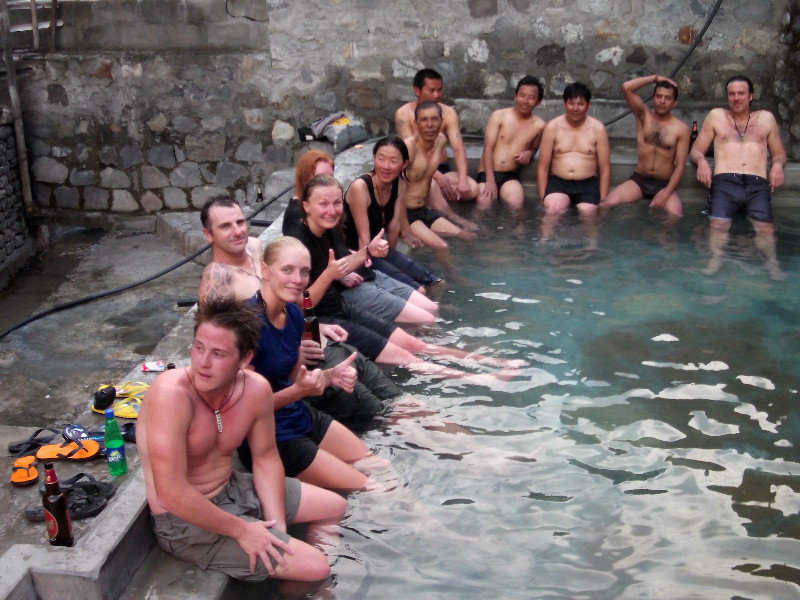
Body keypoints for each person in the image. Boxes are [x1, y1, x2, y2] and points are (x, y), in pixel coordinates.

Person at [137, 298, 347, 582]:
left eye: (218, 354)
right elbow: (170, 492)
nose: (203, 363)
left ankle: (291, 588)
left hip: (233, 489)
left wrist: (278, 529)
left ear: (245, 359)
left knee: (334, 506)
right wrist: (242, 530)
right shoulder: (171, 395)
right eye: (198, 348)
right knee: (317, 567)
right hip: (184, 521)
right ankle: (303, 580)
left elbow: (265, 458)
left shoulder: (255, 390)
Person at [292, 173, 518, 383]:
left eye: (336, 203)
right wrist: (329, 276)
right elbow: (301, 302)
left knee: (414, 343)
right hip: (327, 322)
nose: (331, 210)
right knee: (406, 357)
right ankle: (483, 380)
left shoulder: (327, 228)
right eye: (323, 204)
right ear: (306, 206)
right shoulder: (297, 245)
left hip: (341, 306)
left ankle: (496, 363)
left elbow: (340, 265)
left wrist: (367, 252)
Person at [197, 195, 401, 426]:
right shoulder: (218, 278)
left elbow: (283, 303)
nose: (237, 231)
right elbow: (220, 353)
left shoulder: (254, 247)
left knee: (395, 396)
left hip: (311, 343)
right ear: (208, 234)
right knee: (387, 415)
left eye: (240, 222)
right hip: (297, 370)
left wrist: (314, 327)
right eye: (225, 226)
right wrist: (289, 351)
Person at [238, 236, 379, 492]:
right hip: (270, 437)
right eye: (287, 270)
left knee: (379, 467)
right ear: (265, 270)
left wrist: (329, 376)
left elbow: (293, 380)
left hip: (298, 415)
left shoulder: (292, 313)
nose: (297, 279)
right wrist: (299, 391)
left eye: (304, 272)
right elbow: (246, 407)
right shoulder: (245, 325)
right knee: (374, 489)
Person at [690, 75, 787, 280]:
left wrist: (777, 165)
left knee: (764, 228)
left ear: (750, 96)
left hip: (757, 184)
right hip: (725, 183)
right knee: (717, 224)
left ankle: (773, 265)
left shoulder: (766, 118)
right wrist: (702, 162)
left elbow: (779, 153)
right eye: (732, 94)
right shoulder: (716, 116)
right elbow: (696, 150)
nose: (736, 98)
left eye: (741, 93)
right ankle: (715, 259)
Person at [343, 136, 443, 293]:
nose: (386, 166)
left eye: (393, 161)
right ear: (374, 158)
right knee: (419, 290)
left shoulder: (399, 184)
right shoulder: (360, 187)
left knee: (436, 282)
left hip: (378, 250)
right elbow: (364, 240)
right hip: (357, 253)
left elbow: (394, 225)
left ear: (404, 164)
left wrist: (394, 258)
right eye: (381, 159)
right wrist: (385, 272)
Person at [395, 68, 479, 231]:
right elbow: (409, 150)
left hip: (442, 168)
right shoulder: (403, 114)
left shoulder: (447, 113)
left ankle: (432, 206)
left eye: (439, 90)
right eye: (431, 90)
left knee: (473, 188)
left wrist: (462, 179)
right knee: (430, 182)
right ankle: (453, 217)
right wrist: (436, 177)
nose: (436, 95)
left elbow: (458, 149)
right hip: (417, 172)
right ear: (417, 91)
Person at [601, 75, 689, 220]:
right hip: (639, 180)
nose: (662, 101)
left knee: (675, 215)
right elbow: (626, 87)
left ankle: (661, 241)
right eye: (659, 96)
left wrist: (666, 193)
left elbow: (680, 165)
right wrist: (655, 78)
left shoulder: (681, 129)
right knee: (606, 205)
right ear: (653, 98)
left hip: (663, 184)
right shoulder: (643, 115)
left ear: (674, 103)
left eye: (667, 98)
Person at [402, 102, 475, 274]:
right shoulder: (408, 147)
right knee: (442, 246)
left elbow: (426, 180)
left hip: (422, 209)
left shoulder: (441, 141)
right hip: (405, 213)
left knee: (468, 236)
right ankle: (453, 277)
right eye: (424, 120)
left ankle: (472, 268)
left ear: (441, 121)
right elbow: (394, 189)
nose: (429, 125)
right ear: (416, 122)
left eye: (434, 119)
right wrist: (404, 231)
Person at [537, 82, 610, 247]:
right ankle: (544, 240)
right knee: (553, 209)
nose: (575, 108)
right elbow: (543, 166)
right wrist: (542, 196)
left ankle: (592, 244)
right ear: (565, 104)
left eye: (580, 103)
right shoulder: (553, 127)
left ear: (588, 105)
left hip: (587, 183)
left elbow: (605, 168)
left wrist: (603, 199)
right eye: (571, 103)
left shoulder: (597, 129)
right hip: (559, 182)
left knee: (588, 213)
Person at [476, 75, 546, 228]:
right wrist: (490, 180)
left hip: (510, 175)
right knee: (483, 203)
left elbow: (534, 147)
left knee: (516, 203)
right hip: (488, 173)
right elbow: (488, 148)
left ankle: (518, 238)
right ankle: (480, 234)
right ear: (515, 96)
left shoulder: (539, 125)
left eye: (531, 98)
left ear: (538, 102)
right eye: (522, 95)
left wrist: (529, 153)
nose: (525, 101)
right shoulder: (499, 116)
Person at [282, 150, 335, 239]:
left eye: (331, 178)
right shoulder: (295, 216)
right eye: (320, 178)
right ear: (305, 179)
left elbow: (340, 248)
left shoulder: (328, 206)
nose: (328, 184)